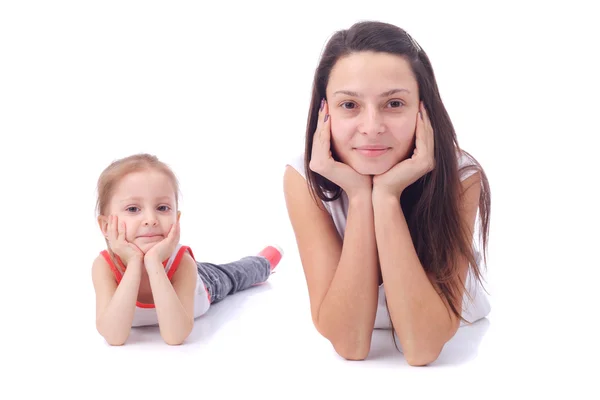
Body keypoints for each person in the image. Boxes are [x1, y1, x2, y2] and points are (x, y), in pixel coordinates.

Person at [283, 21, 492, 366]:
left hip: (464, 331)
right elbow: (350, 344)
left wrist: (386, 197)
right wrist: (361, 196)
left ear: (423, 110)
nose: (371, 127)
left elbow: (423, 348)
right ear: (325, 113)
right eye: (349, 105)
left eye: (394, 103)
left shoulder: (461, 176)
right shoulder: (303, 178)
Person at [91, 153, 283, 346]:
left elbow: (175, 336)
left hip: (204, 283)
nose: (150, 219)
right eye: (133, 209)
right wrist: (134, 263)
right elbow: (114, 337)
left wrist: (154, 262)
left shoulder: (182, 263)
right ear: (106, 226)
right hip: (158, 264)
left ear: (177, 218)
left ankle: (262, 263)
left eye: (163, 208)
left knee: (234, 275)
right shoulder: (104, 266)